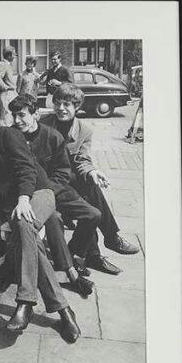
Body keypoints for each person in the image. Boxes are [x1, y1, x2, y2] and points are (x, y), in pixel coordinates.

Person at [0, 98, 79, 343]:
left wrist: (23, 199)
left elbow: (26, 168)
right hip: (15, 206)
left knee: (23, 223)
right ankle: (64, 310)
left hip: (39, 192)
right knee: (27, 233)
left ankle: (25, 302)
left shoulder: (6, 135)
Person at [46, 83, 138, 261]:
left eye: (66, 104)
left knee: (90, 186)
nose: (61, 108)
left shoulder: (84, 131)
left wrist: (92, 172)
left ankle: (94, 251)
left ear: (77, 106)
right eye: (57, 103)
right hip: (51, 179)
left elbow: (83, 159)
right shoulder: (44, 124)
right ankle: (109, 239)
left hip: (70, 180)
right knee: (91, 195)